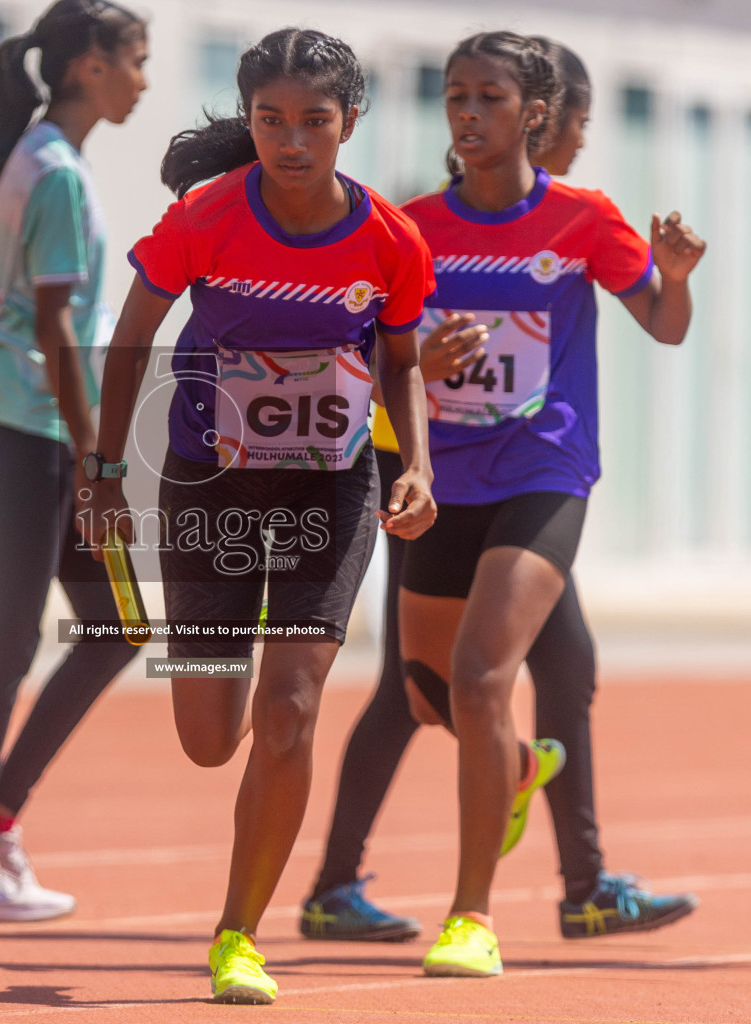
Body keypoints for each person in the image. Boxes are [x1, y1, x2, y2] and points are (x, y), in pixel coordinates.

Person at [87, 28, 477, 1004]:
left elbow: (397, 359)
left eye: (313, 121)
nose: (291, 139)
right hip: (208, 482)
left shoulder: (389, 237)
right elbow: (132, 336)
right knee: (212, 737)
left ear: (351, 121)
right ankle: (245, 757)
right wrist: (100, 472)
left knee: (291, 708)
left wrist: (417, 464)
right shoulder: (208, 217)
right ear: (249, 119)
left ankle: (237, 933)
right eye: (270, 120)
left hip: (329, 487)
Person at [299, 36, 697, 947]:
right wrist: (414, 360)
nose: (467, 113)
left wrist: (674, 281)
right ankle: (516, 786)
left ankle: (474, 914)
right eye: (455, 97)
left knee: (486, 679)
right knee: (426, 692)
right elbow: (354, 355)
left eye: (487, 97)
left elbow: (665, 327)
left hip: (544, 469)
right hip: (435, 479)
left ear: (534, 116)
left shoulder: (585, 219)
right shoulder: (407, 227)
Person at [0, 0, 149, 924]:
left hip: (21, 423)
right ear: (89, 65)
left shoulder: (47, 160)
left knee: (118, 623)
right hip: (31, 429)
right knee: (7, 644)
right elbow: (55, 325)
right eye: (137, 60)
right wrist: (97, 462)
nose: (144, 80)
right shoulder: (56, 174)